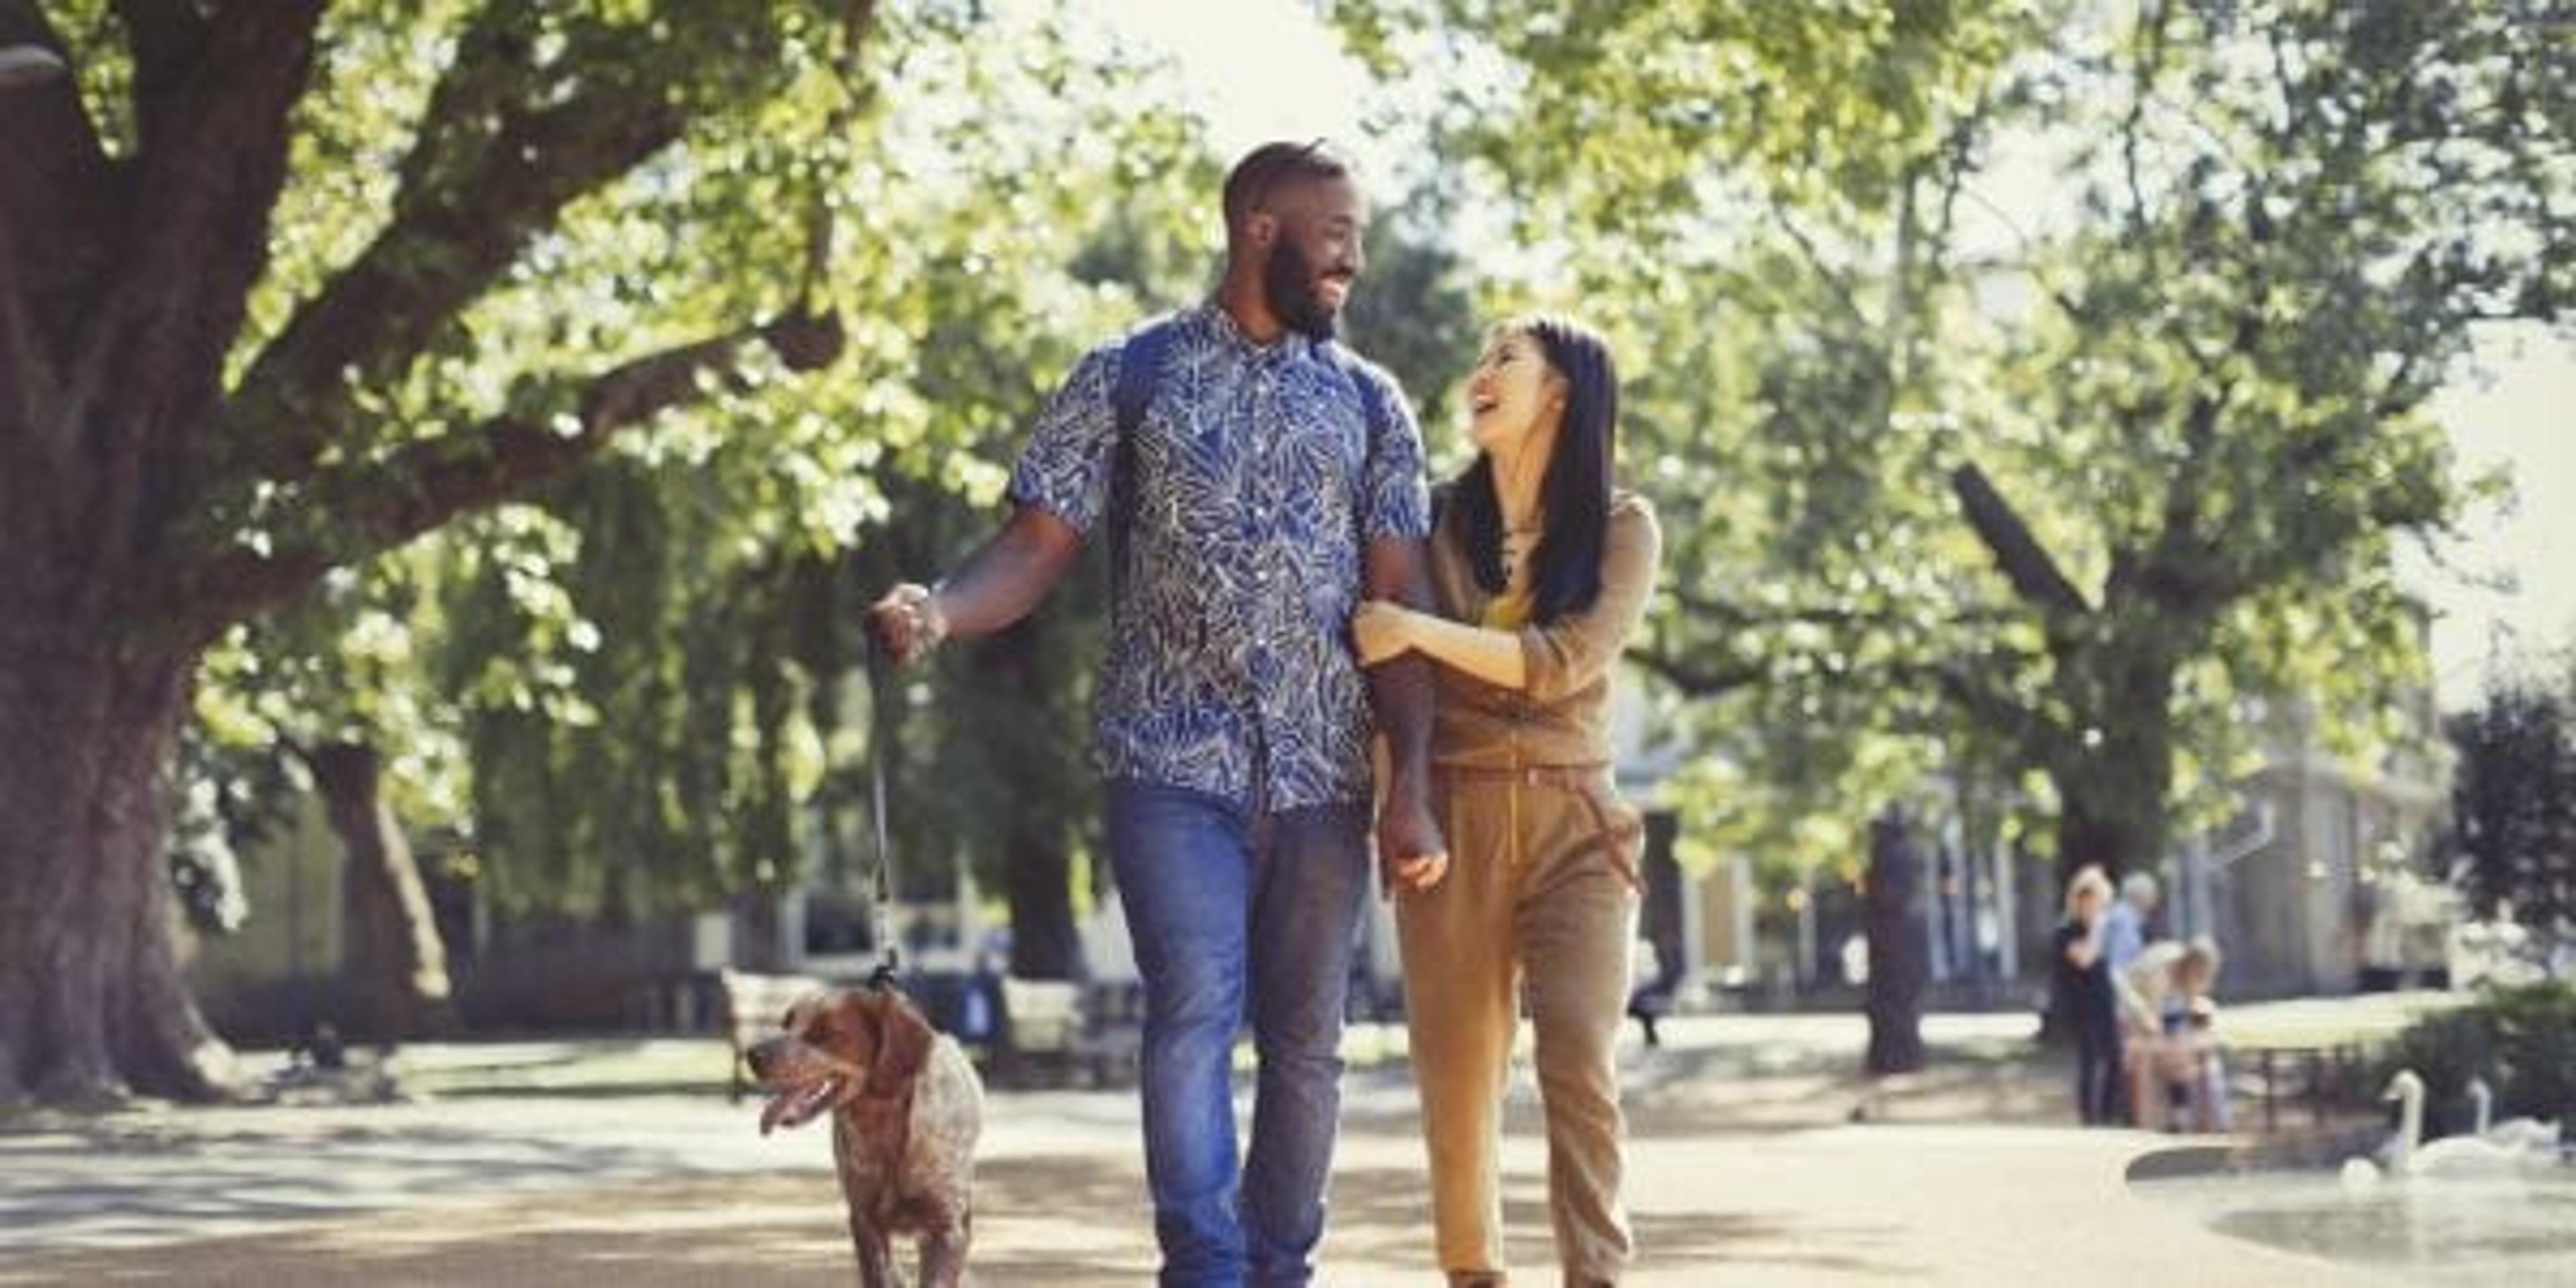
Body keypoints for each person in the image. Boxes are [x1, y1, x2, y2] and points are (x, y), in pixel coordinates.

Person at [866, 140, 1448, 1287]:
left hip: (1328, 773)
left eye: (1358, 245)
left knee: (1307, 1048)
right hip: (1169, 762)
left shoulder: (1374, 405)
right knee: (1191, 1013)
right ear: (1260, 228)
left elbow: (1401, 606)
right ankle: (1206, 1268)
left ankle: (1280, 1266)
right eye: (1335, 239)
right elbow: (1036, 549)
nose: (1351, 266)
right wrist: (937, 612)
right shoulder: (1129, 376)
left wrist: (1412, 785)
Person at [1352, 315, 1660, 1287]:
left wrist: (1412, 627)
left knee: (1579, 1061)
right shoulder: (1433, 522)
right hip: (1455, 815)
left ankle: (1597, 1275)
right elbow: (1384, 686)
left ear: (1561, 391)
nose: (1479, 373)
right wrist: (1395, 804)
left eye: (1505, 360)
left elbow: (1563, 664)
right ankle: (1473, 1274)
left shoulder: (1622, 528)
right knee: (1458, 1083)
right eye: (1478, 354)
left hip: (1581, 828)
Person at [2123, 937, 2230, 1132]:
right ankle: (2147, 1122)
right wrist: (2172, 1044)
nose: (2203, 982)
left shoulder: (2189, 977)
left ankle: (2190, 1116)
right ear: (2190, 968)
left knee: (2191, 1052)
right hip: (2130, 1007)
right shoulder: (2163, 972)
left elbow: (2191, 1011)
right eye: (2200, 976)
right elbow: (2151, 1021)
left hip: (2157, 1012)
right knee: (2157, 1053)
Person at [2054, 866, 2121, 1126]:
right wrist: (2097, 929)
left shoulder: (2103, 932)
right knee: (2090, 1061)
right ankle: (2089, 1118)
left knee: (2114, 1058)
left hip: (2104, 1004)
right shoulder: (2067, 932)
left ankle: (2107, 1115)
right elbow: (2084, 959)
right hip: (2082, 1007)